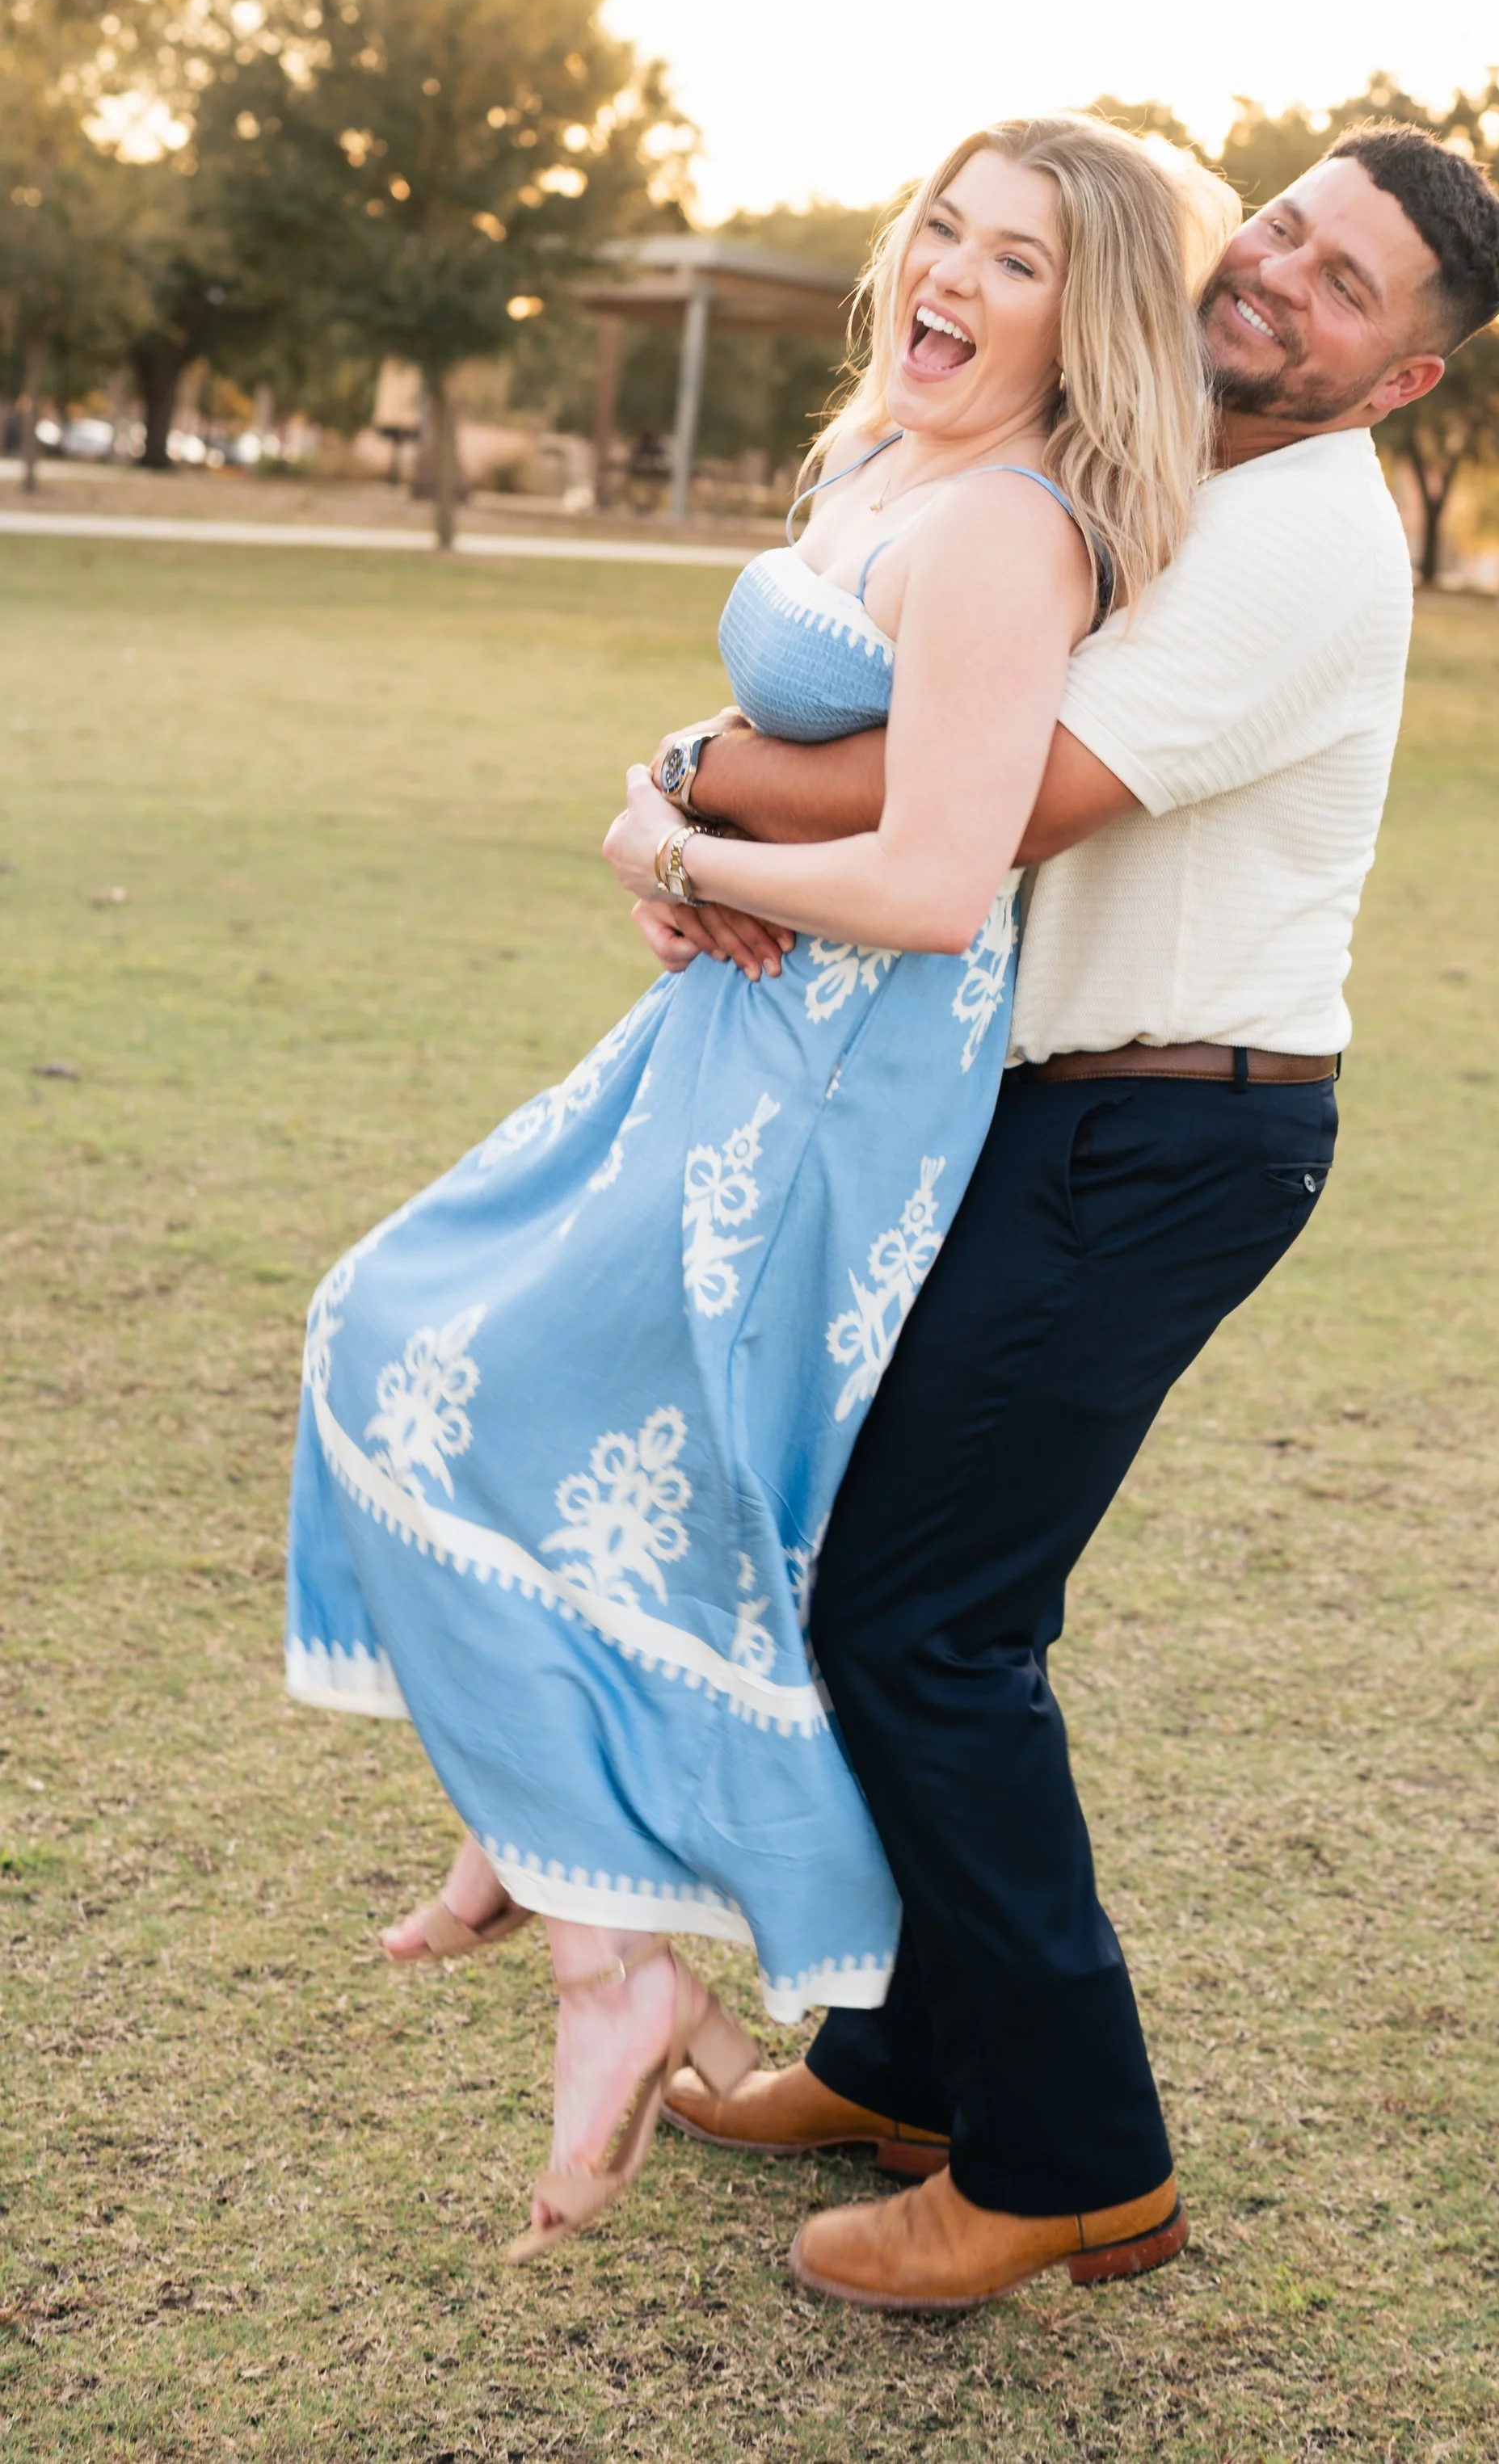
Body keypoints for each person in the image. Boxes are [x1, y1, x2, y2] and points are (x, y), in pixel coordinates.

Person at [284, 112, 1232, 2260]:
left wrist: (674, 848)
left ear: (1084, 333)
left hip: (832, 1082)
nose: (952, 276)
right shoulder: (883, 466)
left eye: (1017, 263)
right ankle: (573, 1880)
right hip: (731, 1033)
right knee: (424, 1334)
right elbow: (798, 723)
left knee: (464, 1362)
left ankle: (597, 1919)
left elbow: (930, 870)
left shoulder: (1007, 526)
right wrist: (667, 784)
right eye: (943, 229)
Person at [632, 124, 1499, 2312]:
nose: (1282, 281)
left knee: (929, 1625)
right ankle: (911, 2056)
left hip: (1170, 1139)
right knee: (885, 1582)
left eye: (1343, 291)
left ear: (1398, 378)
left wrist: (701, 789)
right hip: (1053, 1114)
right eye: (1287, 231)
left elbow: (997, 796)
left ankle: (1069, 2158)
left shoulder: (1302, 541)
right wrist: (706, 768)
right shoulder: (1164, 464)